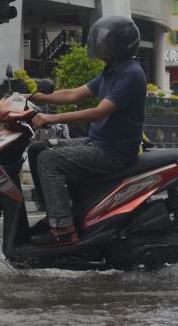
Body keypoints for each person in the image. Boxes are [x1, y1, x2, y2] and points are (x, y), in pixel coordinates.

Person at [26, 16, 146, 246]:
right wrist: (29, 97)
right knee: (37, 150)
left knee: (49, 161)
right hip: (97, 143)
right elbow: (72, 94)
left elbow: (99, 112)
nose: (100, 45)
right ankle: (55, 214)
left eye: (106, 42)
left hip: (114, 152)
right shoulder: (111, 71)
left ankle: (64, 230)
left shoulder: (130, 74)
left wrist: (51, 117)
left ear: (121, 45)